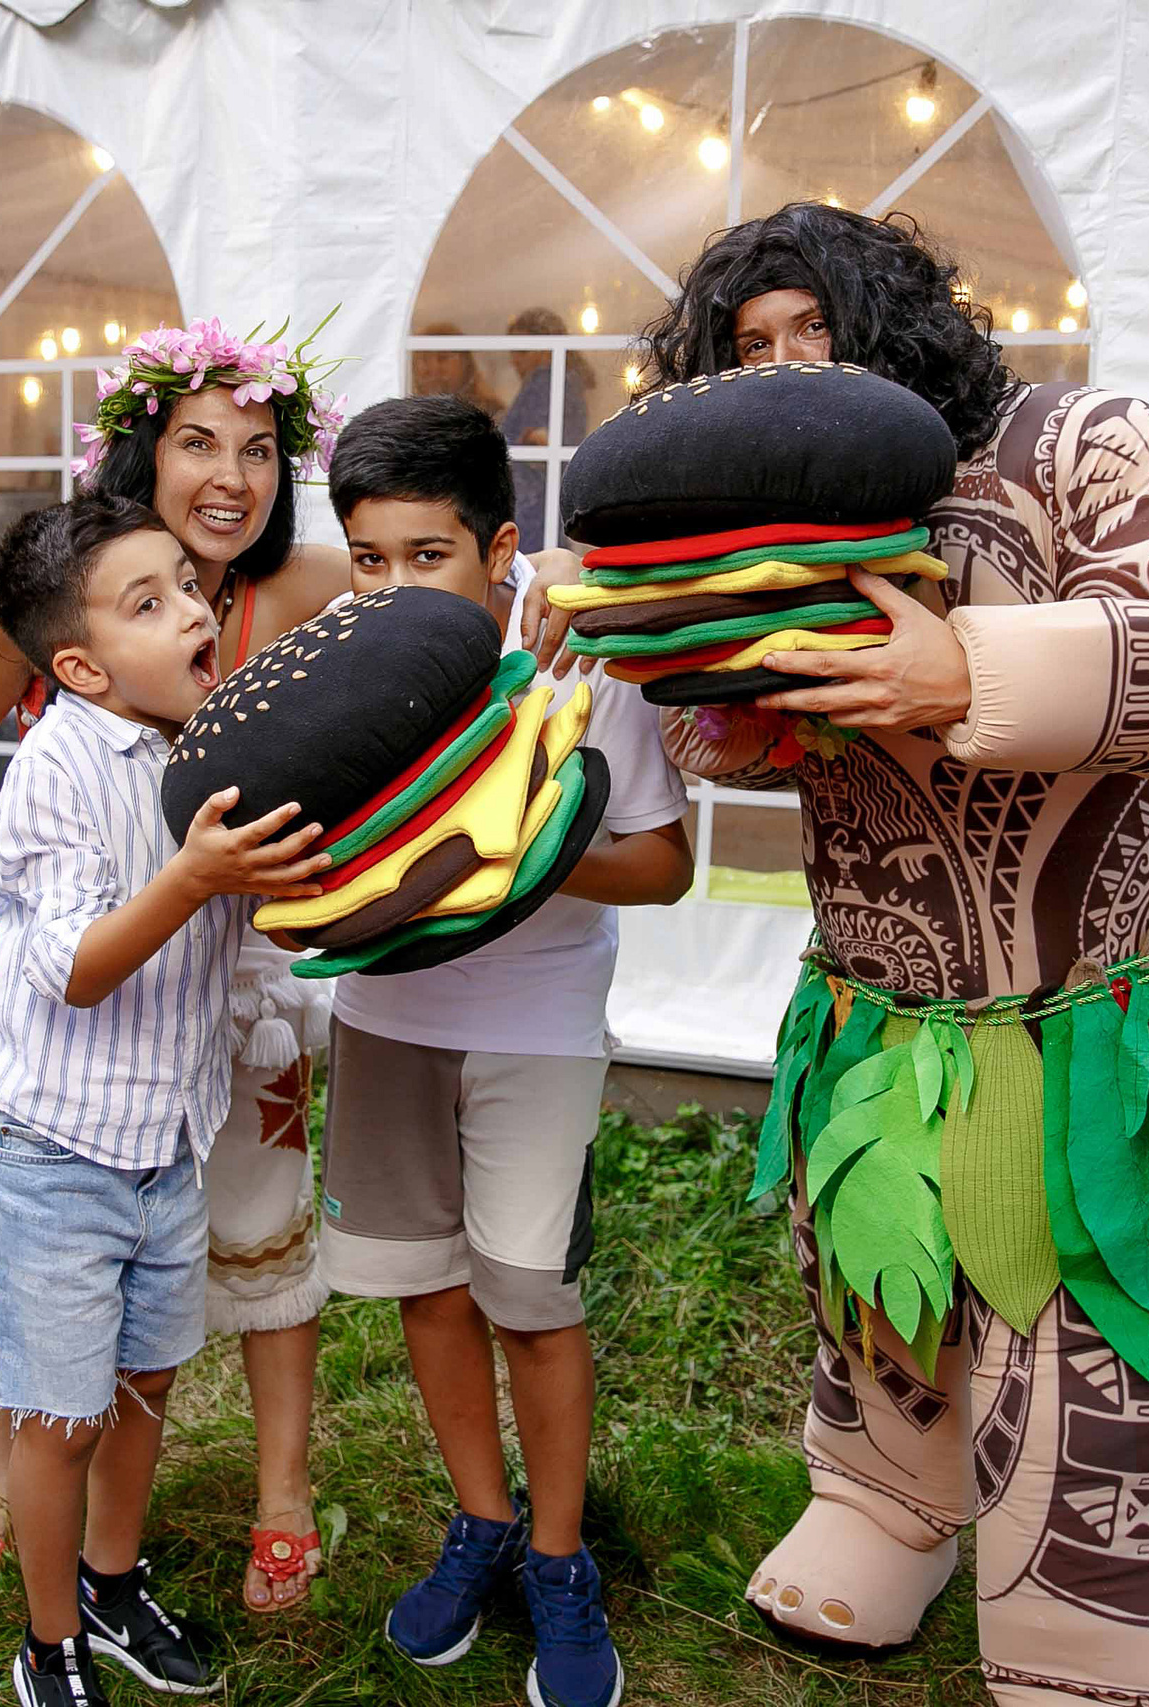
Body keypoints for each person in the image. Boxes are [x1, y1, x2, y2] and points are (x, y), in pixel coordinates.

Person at [531, 203, 1149, 1706]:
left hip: (1078, 1006)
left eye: (811, 326)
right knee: (879, 1277)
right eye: (750, 348)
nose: (789, 363)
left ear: (895, 314)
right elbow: (723, 735)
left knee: (1083, 1302)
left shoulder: (1080, 439)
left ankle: (1099, 1619)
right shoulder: (769, 529)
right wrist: (707, 683)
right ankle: (890, 1498)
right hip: (883, 999)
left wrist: (978, 667)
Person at [0, 321, 345, 1608]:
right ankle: (21, 1472)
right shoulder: (50, 596)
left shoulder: (310, 589)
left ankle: (281, 1488)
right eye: (198, 442)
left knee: (260, 1221)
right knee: (55, 1256)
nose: (231, 475)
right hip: (91, 998)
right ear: (140, 455)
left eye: (260, 450)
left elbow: (446, 618)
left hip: (243, 984)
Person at [319, 396, 691, 1707]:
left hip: (535, 1028)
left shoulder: (587, 657)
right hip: (382, 1018)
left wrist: (511, 853)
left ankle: (557, 1553)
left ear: (501, 546)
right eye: (371, 559)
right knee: (426, 1285)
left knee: (530, 1294)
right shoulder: (344, 655)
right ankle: (479, 1518)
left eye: (429, 557)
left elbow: (665, 862)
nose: (396, 586)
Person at [0, 494, 331, 1703]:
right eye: (148, 602)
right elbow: (75, 966)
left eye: (187, 585)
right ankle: (48, 1640)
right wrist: (194, 875)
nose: (191, 609)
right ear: (79, 666)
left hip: (165, 1145)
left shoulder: (210, 739)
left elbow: (261, 917)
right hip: (56, 1154)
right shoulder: (58, 768)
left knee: (144, 1388)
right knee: (61, 1419)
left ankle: (113, 1586)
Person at [499, 308, 590, 552]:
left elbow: (540, 438)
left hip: (529, 501)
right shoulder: (570, 384)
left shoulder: (545, 381)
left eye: (522, 351)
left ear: (545, 349)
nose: (514, 360)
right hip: (549, 501)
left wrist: (524, 440)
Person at [410, 323, 503, 416]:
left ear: (465, 364)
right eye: (424, 359)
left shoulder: (490, 414)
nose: (433, 368)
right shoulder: (407, 412)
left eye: (443, 358)